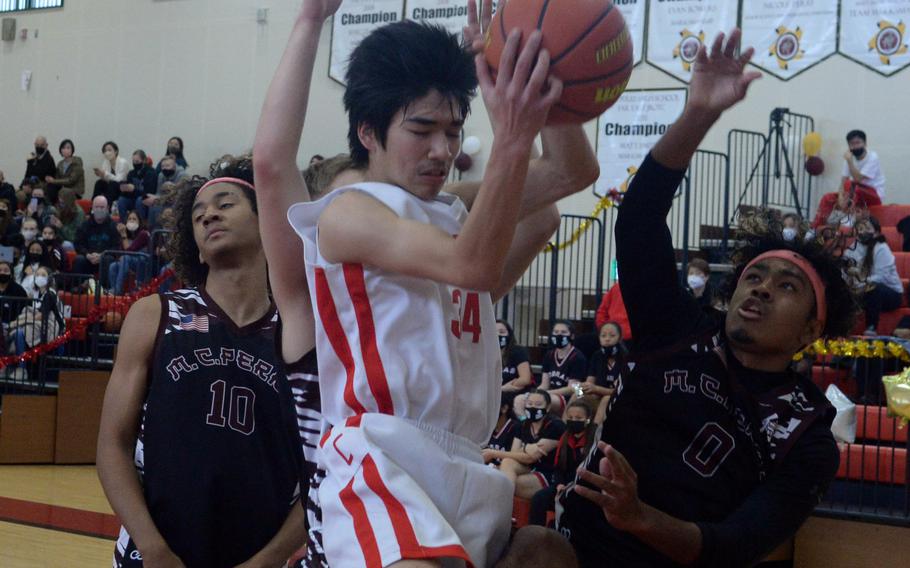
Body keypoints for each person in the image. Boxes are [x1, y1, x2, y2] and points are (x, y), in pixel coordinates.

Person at [253, 0, 596, 565]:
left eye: (454, 130)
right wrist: (312, 18)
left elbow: (570, 175)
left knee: (545, 553)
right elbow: (271, 164)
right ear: (368, 133)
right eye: (422, 130)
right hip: (384, 449)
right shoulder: (348, 214)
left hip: (465, 457)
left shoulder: (451, 215)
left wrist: (521, 77)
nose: (444, 149)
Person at [558, 29, 858, 568]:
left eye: (786, 286)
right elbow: (640, 218)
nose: (762, 287)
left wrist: (640, 517)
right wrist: (698, 112)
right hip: (583, 550)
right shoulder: (676, 327)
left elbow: (736, 546)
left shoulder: (808, 435)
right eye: (754, 276)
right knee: (531, 548)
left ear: (811, 330)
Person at [96, 156, 307, 567]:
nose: (209, 214)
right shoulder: (154, 314)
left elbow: (320, 465)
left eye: (225, 204)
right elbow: (112, 445)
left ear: (265, 220)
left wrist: (271, 558)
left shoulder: (298, 332)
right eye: (197, 215)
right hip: (155, 553)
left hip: (257, 556)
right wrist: (152, 548)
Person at [529, 401, 595, 527]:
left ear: (588, 420)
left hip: (584, 487)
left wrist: (574, 486)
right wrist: (559, 484)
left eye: (579, 418)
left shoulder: (594, 440)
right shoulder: (565, 437)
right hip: (564, 485)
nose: (574, 420)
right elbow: (558, 468)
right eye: (570, 418)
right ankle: (535, 534)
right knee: (539, 498)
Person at [491, 390, 566, 499]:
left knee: (509, 482)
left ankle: (503, 508)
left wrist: (493, 453)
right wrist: (527, 449)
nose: (533, 407)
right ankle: (503, 507)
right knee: (507, 462)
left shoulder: (555, 425)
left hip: (550, 473)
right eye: (530, 404)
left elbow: (532, 457)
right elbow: (514, 454)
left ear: (548, 407)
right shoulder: (523, 424)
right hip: (530, 468)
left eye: (538, 404)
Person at [844, 216, 903, 335]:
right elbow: (845, 272)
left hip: (890, 294)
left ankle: (871, 328)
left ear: (876, 232)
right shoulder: (851, 250)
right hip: (862, 292)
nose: (862, 231)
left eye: (867, 228)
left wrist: (860, 285)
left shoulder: (881, 248)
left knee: (873, 288)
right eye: (860, 228)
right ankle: (840, 330)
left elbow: (880, 277)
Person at [6, 265, 64, 379]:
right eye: (37, 275)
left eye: (43, 275)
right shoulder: (39, 294)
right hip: (40, 324)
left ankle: (22, 369)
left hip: (51, 327)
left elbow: (41, 316)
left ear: (49, 279)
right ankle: (9, 366)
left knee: (19, 332)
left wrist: (22, 320)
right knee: (14, 332)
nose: (39, 277)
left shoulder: (50, 294)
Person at [580, 321, 626, 424]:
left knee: (606, 399)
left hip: (618, 399)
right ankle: (565, 430)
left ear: (619, 338)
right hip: (597, 395)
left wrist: (596, 389)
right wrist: (582, 388)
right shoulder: (597, 355)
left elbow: (619, 391)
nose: (607, 339)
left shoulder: (625, 357)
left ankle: (595, 433)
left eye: (612, 335)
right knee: (577, 394)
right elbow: (589, 382)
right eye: (603, 335)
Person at [541, 320, 588, 412]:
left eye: (563, 332)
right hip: (552, 393)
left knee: (542, 400)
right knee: (520, 399)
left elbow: (573, 388)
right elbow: (544, 384)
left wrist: (546, 394)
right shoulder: (549, 355)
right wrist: (535, 393)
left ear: (572, 336)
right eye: (556, 332)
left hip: (575, 393)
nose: (559, 335)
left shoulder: (578, 357)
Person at [72, 196, 121, 277]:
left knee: (108, 259)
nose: (99, 209)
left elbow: (116, 247)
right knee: (79, 259)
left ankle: (104, 288)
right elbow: (78, 244)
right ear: (92, 208)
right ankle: (79, 287)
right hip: (88, 258)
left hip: (105, 258)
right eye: (96, 207)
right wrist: (87, 255)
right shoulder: (84, 225)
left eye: (102, 207)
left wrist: (102, 255)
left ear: (107, 208)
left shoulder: (113, 226)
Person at [108, 211, 151, 295]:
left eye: (134, 219)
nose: (131, 221)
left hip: (143, 264)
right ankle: (114, 291)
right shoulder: (126, 234)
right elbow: (119, 252)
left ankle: (117, 290)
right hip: (128, 262)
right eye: (129, 219)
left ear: (139, 221)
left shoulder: (143, 234)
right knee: (113, 266)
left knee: (125, 258)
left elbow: (130, 251)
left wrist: (123, 235)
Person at [139, 155, 187, 227]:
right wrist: (153, 198)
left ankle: (156, 231)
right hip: (165, 201)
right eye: (163, 166)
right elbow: (159, 193)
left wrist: (157, 199)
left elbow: (180, 197)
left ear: (174, 166)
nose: (165, 168)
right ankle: (145, 228)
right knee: (141, 200)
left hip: (178, 203)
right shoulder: (161, 175)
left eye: (167, 166)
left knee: (156, 208)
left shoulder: (182, 176)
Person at [841, 130, 886, 203]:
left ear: (865, 144)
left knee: (852, 185)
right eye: (852, 144)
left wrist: (850, 162)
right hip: (856, 192)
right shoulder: (849, 157)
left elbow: (858, 179)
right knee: (828, 197)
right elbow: (844, 180)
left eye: (858, 143)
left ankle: (850, 208)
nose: (855, 146)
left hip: (874, 194)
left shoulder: (873, 157)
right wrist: (840, 198)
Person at [118, 150, 159, 217]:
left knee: (139, 200)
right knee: (121, 200)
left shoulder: (151, 173)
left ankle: (142, 223)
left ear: (144, 161)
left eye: (137, 161)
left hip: (146, 199)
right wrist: (124, 188)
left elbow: (149, 193)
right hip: (133, 198)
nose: (135, 164)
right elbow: (128, 193)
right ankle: (124, 223)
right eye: (133, 161)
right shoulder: (131, 173)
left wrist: (133, 190)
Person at [484, 392, 520, 467]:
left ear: (504, 408)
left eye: (489, 406)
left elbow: (516, 460)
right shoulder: (484, 427)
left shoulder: (516, 428)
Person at [45, 138, 85, 203]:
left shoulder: (77, 161)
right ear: (60, 150)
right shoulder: (60, 164)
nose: (65, 150)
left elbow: (71, 180)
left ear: (72, 150)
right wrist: (50, 179)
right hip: (63, 190)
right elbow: (57, 180)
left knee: (63, 192)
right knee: (50, 187)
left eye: (68, 148)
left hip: (75, 191)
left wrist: (54, 181)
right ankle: (51, 207)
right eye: (63, 148)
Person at [499, 319, 533, 393]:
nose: (498, 335)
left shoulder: (518, 351)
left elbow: (525, 379)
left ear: (509, 334)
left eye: (502, 332)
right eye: (493, 332)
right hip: (496, 393)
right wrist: (500, 389)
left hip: (515, 392)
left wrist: (505, 387)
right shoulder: (485, 353)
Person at [18, 136, 56, 203]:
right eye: (37, 145)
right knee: (18, 194)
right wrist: (22, 186)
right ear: (34, 144)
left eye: (42, 145)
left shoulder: (49, 159)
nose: (39, 147)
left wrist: (32, 185)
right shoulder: (32, 157)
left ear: (46, 145)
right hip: (30, 184)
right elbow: (27, 174)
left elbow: (45, 176)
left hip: (43, 187)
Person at [0, 260, 29, 324]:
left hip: (12, 323)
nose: (2, 273)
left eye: (6, 271)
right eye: (0, 270)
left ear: (11, 274)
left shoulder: (19, 290)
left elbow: (22, 310)